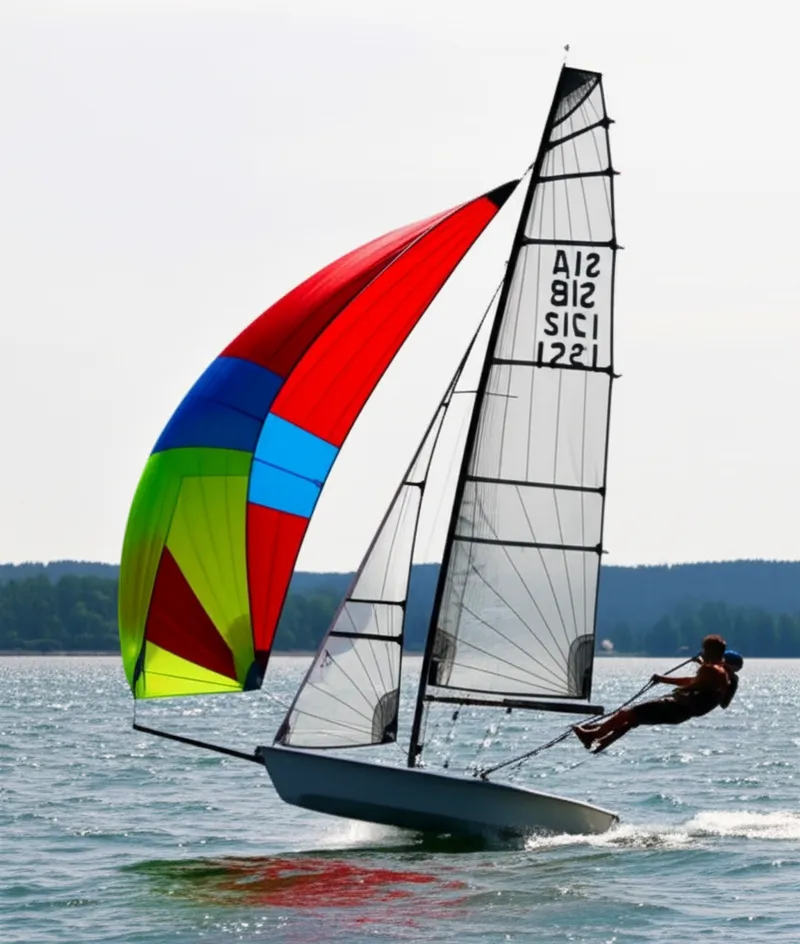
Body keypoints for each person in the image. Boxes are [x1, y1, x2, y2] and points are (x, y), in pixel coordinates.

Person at [573, 634, 738, 753]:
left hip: (675, 708)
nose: (702, 652)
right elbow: (700, 682)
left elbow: (691, 683)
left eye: (704, 649)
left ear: (709, 651)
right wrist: (666, 679)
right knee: (633, 719)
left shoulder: (710, 670)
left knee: (626, 713)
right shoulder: (722, 673)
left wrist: (665, 680)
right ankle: (600, 737)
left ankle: (593, 735)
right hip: (681, 715)